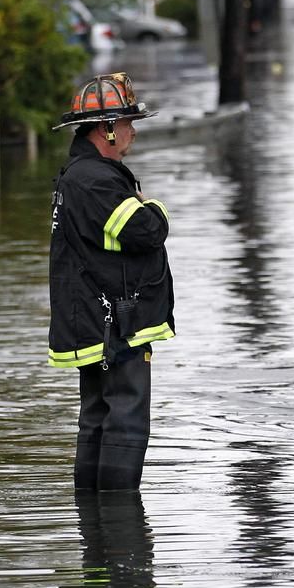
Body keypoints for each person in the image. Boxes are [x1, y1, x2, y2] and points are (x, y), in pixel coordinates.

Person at [48, 73, 176, 490]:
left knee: (98, 418)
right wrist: (154, 206)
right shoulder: (98, 181)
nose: (132, 131)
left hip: (94, 322)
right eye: (126, 122)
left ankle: (97, 534)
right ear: (105, 129)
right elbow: (147, 230)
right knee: (125, 420)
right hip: (115, 328)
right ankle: (121, 537)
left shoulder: (81, 175)